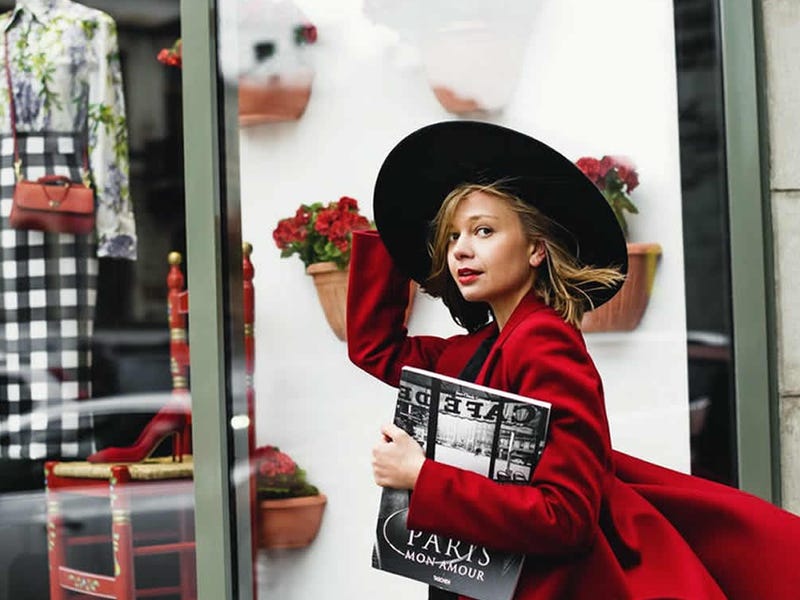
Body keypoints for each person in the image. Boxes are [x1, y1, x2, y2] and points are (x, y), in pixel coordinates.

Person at [346, 121, 800, 599]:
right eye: (453, 235)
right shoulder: (476, 349)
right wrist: (395, 232)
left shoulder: (544, 343)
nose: (461, 248)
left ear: (536, 249)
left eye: (483, 230)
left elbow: (566, 516)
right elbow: (376, 348)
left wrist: (421, 477)